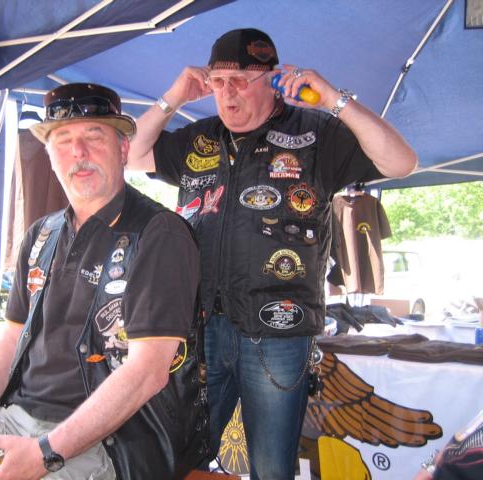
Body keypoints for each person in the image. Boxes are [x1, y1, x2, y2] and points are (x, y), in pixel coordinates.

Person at [0, 83, 208, 480]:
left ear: (122, 149)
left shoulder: (159, 233)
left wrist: (44, 453)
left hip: (108, 441)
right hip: (13, 419)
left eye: (94, 136)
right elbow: (11, 336)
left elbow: (147, 373)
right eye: (63, 140)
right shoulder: (41, 235)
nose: (78, 152)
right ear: (49, 156)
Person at [127, 28, 418, 479]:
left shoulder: (316, 134)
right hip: (201, 329)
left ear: (273, 80)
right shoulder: (198, 139)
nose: (228, 93)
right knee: (178, 460)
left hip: (279, 331)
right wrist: (174, 97)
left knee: (271, 467)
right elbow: (130, 155)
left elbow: (401, 162)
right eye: (219, 81)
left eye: (241, 80)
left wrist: (334, 100)